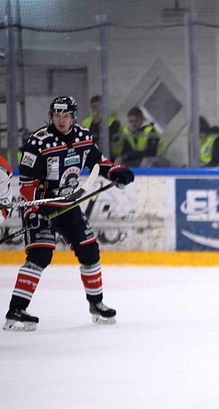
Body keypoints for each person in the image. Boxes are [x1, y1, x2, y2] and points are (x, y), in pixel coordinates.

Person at [3, 96, 135, 331]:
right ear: (51, 115)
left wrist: (116, 172)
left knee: (90, 249)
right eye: (56, 115)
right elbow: (26, 183)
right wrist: (34, 209)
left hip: (67, 204)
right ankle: (16, 309)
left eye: (65, 116)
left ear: (73, 116)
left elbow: (98, 163)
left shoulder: (84, 137)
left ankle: (96, 304)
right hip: (41, 204)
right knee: (40, 255)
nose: (60, 120)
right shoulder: (38, 142)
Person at [80, 95, 123, 161]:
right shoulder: (86, 123)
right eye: (94, 107)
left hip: (110, 157)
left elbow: (115, 145)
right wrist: (95, 123)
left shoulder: (113, 122)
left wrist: (100, 122)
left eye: (99, 106)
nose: (97, 109)